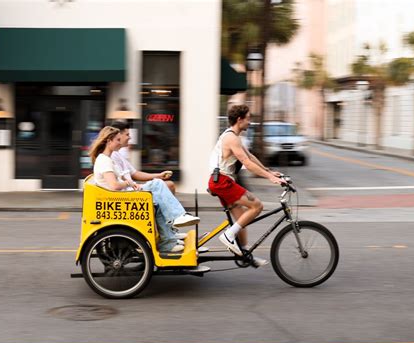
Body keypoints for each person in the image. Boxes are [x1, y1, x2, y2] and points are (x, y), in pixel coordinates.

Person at [89, 126, 199, 253]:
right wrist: (128, 183)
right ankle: (178, 217)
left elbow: (125, 178)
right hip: (122, 198)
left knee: (157, 201)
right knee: (158, 184)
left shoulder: (107, 159)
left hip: (123, 196)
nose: (120, 143)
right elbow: (114, 185)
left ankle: (168, 239)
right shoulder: (104, 160)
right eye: (117, 140)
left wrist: (130, 183)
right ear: (109, 141)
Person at [208, 104, 286, 267]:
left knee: (241, 219)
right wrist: (270, 178)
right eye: (248, 119)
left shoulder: (234, 137)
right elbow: (247, 164)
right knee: (257, 206)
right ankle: (228, 236)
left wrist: (268, 171)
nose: (250, 122)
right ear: (239, 119)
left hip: (222, 182)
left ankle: (244, 254)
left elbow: (249, 157)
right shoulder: (231, 138)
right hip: (223, 182)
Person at [109, 120, 184, 240]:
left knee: (165, 186)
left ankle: (168, 232)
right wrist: (133, 184)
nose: (129, 138)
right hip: (127, 196)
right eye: (127, 135)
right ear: (118, 135)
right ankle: (176, 220)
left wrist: (159, 175)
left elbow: (135, 173)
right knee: (166, 186)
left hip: (130, 191)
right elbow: (116, 184)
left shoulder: (117, 155)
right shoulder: (111, 156)